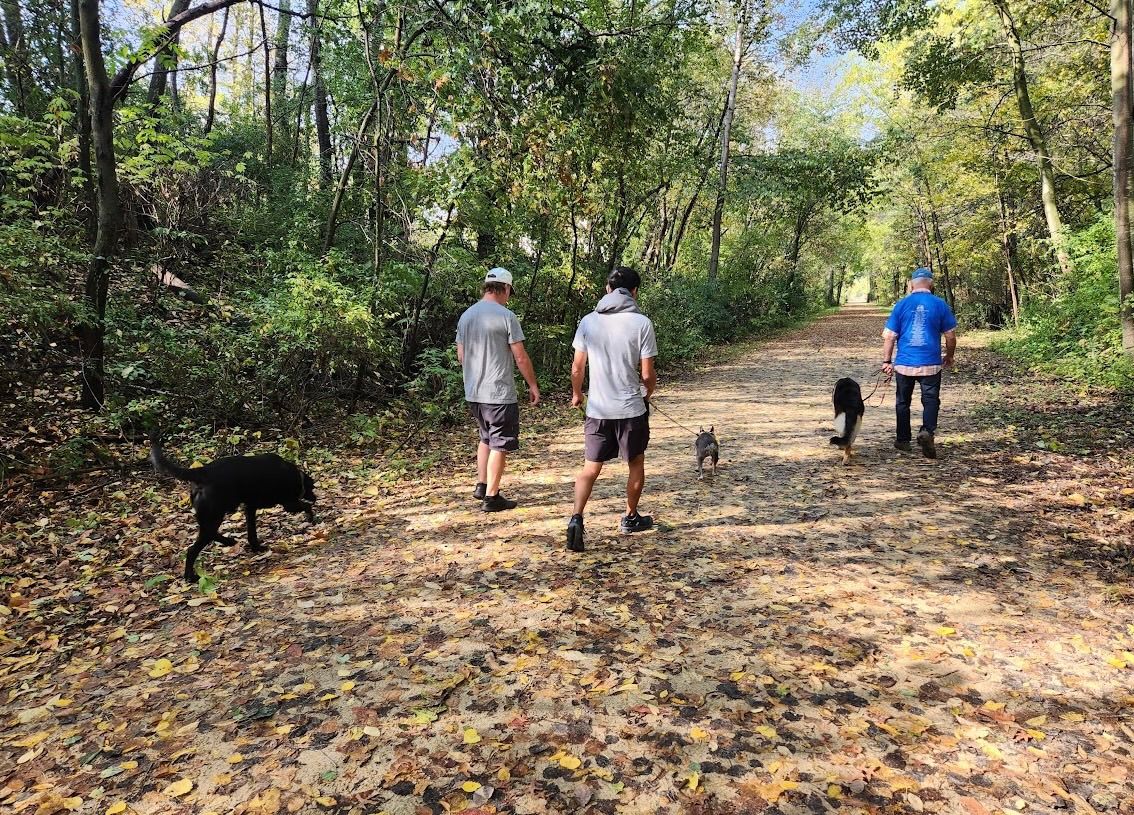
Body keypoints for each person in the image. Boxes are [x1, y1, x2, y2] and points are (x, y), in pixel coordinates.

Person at [566, 266, 658, 551]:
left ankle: (576, 518)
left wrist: (577, 393)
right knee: (636, 462)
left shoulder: (588, 322)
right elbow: (646, 374)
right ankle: (630, 517)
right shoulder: (641, 323)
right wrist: (648, 392)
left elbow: (577, 366)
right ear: (634, 292)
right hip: (630, 409)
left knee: (590, 469)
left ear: (608, 289)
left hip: (598, 409)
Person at [456, 267, 540, 511]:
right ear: (505, 288)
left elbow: (461, 355)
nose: (508, 297)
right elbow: (520, 357)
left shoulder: (466, 316)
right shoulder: (506, 316)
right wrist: (532, 385)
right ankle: (492, 497)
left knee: (485, 436)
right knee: (499, 442)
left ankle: (482, 484)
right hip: (498, 392)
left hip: (474, 392)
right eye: (509, 292)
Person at [881, 267, 958, 459]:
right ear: (931, 284)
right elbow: (950, 336)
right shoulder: (940, 304)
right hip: (930, 363)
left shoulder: (901, 305)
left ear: (911, 284)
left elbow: (889, 337)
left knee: (902, 402)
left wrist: (887, 361)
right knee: (930, 401)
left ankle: (903, 440)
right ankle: (927, 432)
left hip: (904, 364)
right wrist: (949, 356)